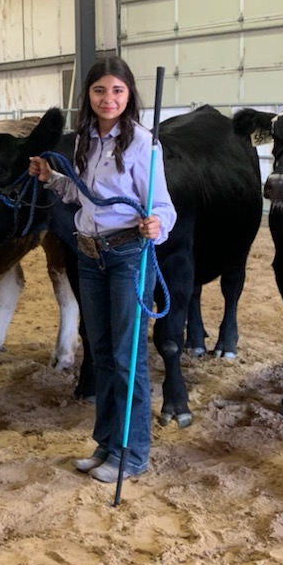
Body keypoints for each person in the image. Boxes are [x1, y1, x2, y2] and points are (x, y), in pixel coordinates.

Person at [28, 57, 176, 485]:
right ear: (88, 95)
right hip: (90, 255)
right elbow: (81, 195)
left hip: (129, 255)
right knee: (103, 353)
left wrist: (157, 224)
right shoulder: (85, 140)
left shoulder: (144, 144)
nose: (107, 98)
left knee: (128, 357)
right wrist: (52, 177)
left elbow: (163, 206)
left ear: (129, 95)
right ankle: (107, 443)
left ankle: (132, 452)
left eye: (116, 90)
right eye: (99, 90)